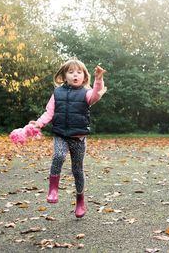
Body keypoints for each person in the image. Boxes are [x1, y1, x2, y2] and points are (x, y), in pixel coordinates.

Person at [29, 59, 107, 218]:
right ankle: (53, 189)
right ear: (64, 76)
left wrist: (99, 79)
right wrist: (39, 123)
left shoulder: (86, 93)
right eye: (71, 72)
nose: (75, 75)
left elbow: (96, 96)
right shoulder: (57, 93)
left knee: (77, 170)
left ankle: (80, 200)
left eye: (78, 72)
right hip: (60, 134)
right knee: (58, 156)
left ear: (84, 77)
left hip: (78, 138)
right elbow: (49, 113)